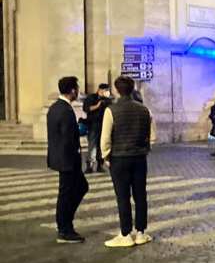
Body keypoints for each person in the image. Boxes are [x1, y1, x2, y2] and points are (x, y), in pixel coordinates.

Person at [100, 76, 155, 248]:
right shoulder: (145, 110)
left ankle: (125, 233)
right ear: (132, 90)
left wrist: (106, 156)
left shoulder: (111, 110)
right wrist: (144, 149)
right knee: (140, 195)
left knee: (122, 196)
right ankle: (141, 232)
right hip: (139, 158)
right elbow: (153, 137)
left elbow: (105, 139)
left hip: (119, 158)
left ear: (116, 90)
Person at [47, 76, 88, 244]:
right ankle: (64, 228)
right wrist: (80, 133)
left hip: (61, 158)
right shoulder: (65, 110)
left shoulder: (55, 107)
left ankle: (64, 223)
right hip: (68, 159)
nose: (78, 91)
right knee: (68, 193)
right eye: (77, 88)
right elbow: (67, 137)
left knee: (78, 188)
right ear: (72, 90)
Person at [82, 83, 111, 173]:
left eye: (107, 91)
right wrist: (97, 106)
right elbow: (86, 108)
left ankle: (100, 165)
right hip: (93, 124)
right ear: (99, 90)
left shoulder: (108, 100)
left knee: (101, 146)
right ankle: (89, 166)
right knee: (92, 145)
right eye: (104, 91)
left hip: (104, 125)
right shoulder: (91, 98)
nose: (106, 93)